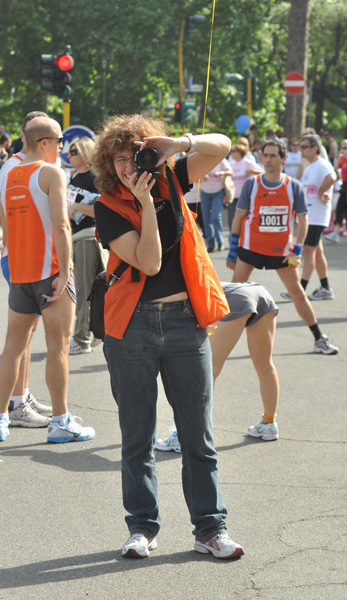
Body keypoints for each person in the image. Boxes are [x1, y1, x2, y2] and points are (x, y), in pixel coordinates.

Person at [93, 114, 244, 560]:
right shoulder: (107, 205)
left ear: (149, 154)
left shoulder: (173, 177)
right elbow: (150, 262)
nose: (127, 166)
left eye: (135, 155)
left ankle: (210, 529)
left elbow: (222, 146)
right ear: (108, 162)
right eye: (118, 158)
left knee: (198, 434)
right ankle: (142, 527)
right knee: (137, 435)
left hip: (185, 322)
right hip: (132, 326)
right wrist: (142, 203)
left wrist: (178, 142)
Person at [0, 116, 95, 443]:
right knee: (57, 348)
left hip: (20, 270)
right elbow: (63, 226)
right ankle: (61, 422)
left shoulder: (9, 172)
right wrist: (65, 272)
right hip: (50, 272)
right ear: (44, 142)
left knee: (14, 347)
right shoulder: (51, 173)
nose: (63, 147)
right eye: (60, 141)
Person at [226, 139, 338, 356]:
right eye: (265, 155)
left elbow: (303, 220)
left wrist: (296, 250)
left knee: (297, 293)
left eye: (273, 156)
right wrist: (232, 249)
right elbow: (239, 216)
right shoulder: (252, 183)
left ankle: (319, 339)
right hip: (250, 248)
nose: (268, 159)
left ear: (283, 159)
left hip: (281, 252)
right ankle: (212, 336)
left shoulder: (293, 186)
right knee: (234, 294)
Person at [156, 281, 280, 453]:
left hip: (238, 298)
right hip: (260, 292)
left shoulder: (169, 291)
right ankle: (269, 423)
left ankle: (185, 435)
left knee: (207, 369)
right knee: (265, 365)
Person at [0, 111, 53, 426]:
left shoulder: (27, 165)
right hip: (21, 257)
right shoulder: (14, 166)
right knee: (21, 336)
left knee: (26, 335)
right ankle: (15, 405)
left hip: (29, 258)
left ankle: (21, 397)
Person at [66, 137, 108, 355]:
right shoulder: (75, 176)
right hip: (77, 239)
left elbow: (102, 209)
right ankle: (93, 335)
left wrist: (76, 206)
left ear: (84, 153)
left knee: (83, 292)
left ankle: (82, 339)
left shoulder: (94, 178)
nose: (69, 154)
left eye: (73, 151)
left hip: (87, 239)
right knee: (84, 290)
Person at [295, 134, 336, 300]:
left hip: (316, 216)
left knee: (308, 253)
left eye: (304, 147)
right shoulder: (309, 167)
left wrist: (321, 192)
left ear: (314, 148)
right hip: (310, 216)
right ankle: (325, 288)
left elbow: (332, 177)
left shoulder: (322, 164)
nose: (301, 150)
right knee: (317, 254)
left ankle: (299, 290)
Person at [199, 157, 232, 252]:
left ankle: (220, 241)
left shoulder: (220, 159)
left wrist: (221, 173)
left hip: (218, 191)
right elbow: (191, 173)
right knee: (206, 219)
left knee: (215, 217)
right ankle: (210, 244)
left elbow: (230, 171)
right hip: (204, 192)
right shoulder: (200, 159)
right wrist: (201, 175)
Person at [228, 143, 262, 233]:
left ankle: (245, 237)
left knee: (245, 219)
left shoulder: (247, 162)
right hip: (233, 196)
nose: (231, 153)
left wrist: (253, 171)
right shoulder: (230, 164)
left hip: (245, 196)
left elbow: (262, 171)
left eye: (233, 151)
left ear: (240, 152)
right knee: (231, 218)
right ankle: (233, 238)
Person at [325, 139, 347, 243]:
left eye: (345, 148)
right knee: (339, 209)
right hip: (344, 188)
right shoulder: (343, 160)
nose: (342, 150)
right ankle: (335, 233)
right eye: (342, 148)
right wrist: (339, 158)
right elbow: (334, 168)